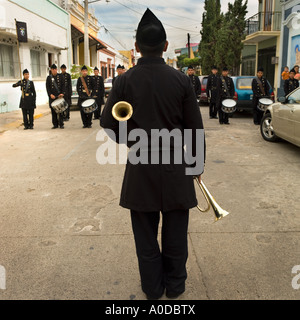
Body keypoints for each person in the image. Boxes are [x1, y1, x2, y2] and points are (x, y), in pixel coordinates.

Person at [101, 8, 205, 300]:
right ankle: (175, 287)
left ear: (136, 48)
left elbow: (108, 124)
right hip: (176, 168)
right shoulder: (182, 81)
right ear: (166, 47)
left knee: (145, 237)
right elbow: (194, 128)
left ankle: (152, 289)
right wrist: (196, 164)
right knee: (176, 234)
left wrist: (132, 141)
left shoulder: (123, 81)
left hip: (141, 167)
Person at [46, 64, 65, 129]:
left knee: (60, 111)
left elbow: (63, 85)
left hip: (59, 96)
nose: (54, 70)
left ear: (57, 69)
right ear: (51, 70)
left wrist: (62, 93)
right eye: (52, 69)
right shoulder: (49, 78)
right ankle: (55, 124)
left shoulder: (61, 76)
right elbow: (47, 87)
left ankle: (61, 124)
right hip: (52, 97)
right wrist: (50, 94)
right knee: (53, 111)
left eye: (55, 69)